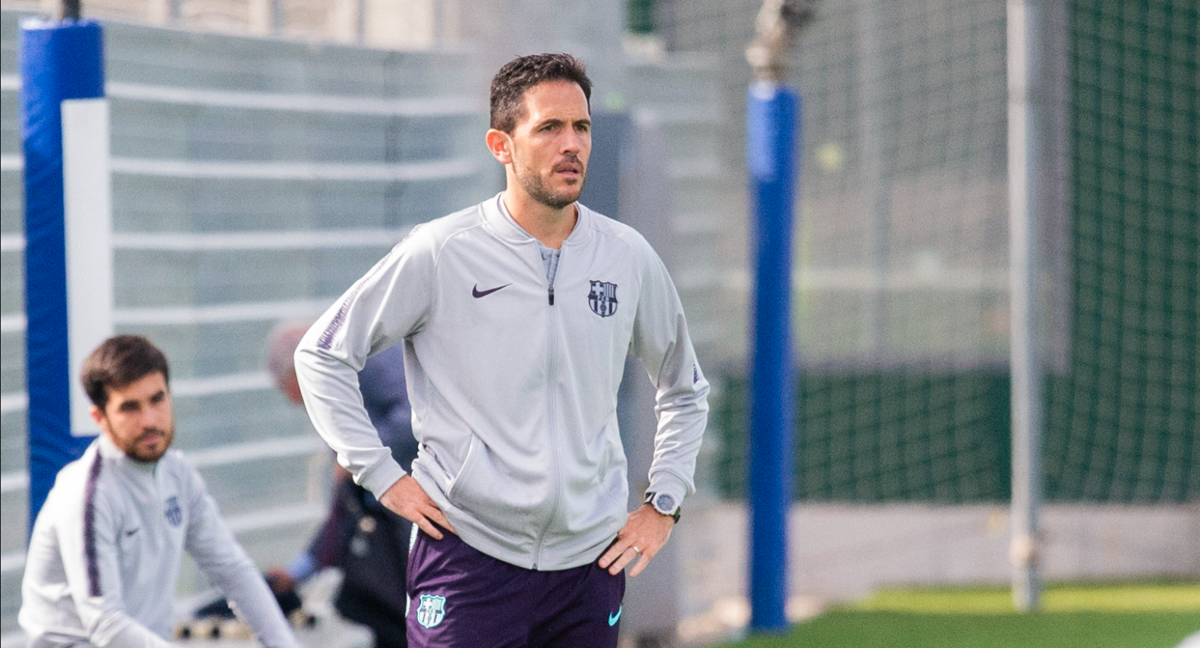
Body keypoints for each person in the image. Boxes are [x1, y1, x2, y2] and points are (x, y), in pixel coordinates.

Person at [294, 53, 709, 647]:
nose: (572, 145)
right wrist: (382, 476)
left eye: (582, 127)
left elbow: (686, 388)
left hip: (590, 567)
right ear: (501, 145)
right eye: (549, 128)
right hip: (467, 559)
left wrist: (663, 502)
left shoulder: (627, 256)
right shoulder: (441, 251)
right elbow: (321, 355)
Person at [19, 335, 300, 648]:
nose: (149, 420)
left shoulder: (178, 475)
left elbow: (233, 571)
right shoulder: (86, 495)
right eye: (130, 408)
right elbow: (106, 625)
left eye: (157, 399)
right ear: (100, 418)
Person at [264, 321, 416, 648]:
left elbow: (413, 417)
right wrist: (298, 570)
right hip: (385, 547)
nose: (292, 402)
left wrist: (358, 456)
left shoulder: (368, 364)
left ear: (299, 369)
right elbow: (345, 506)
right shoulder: (332, 397)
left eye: (283, 387)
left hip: (413, 530)